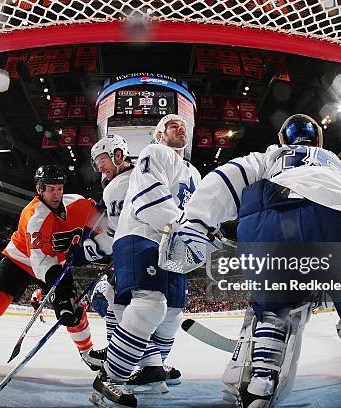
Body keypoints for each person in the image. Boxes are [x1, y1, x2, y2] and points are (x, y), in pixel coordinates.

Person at [163, 114, 341, 408]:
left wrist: (196, 222)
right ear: (318, 140)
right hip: (337, 215)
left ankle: (259, 386)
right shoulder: (335, 164)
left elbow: (225, 178)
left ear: (283, 141)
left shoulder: (269, 157)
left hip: (267, 223)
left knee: (274, 313)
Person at [0, 165, 109, 371]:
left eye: (59, 188)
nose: (56, 194)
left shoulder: (78, 203)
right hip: (20, 261)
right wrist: (62, 288)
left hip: (54, 263)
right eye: (51, 189)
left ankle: (87, 352)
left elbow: (104, 223)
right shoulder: (34, 217)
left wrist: (109, 245)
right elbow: (40, 262)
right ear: (40, 189)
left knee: (73, 308)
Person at [91, 115, 200, 407]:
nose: (181, 128)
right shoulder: (154, 153)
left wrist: (205, 232)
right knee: (150, 304)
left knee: (172, 313)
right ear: (160, 135)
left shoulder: (194, 173)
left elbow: (198, 212)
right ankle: (110, 376)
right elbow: (149, 199)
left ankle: (152, 371)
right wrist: (185, 232)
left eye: (183, 125)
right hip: (142, 235)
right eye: (172, 125)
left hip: (171, 243)